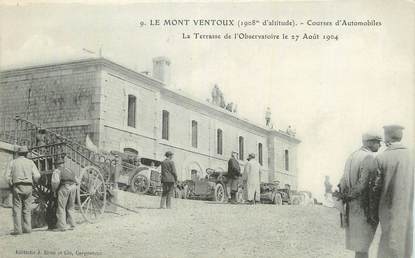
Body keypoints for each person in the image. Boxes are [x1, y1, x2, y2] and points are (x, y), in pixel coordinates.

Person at [338, 132, 382, 258]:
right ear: (370, 143)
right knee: (363, 247)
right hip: (364, 209)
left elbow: (343, 181)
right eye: (377, 142)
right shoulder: (369, 158)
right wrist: (349, 196)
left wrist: (345, 197)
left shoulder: (352, 156)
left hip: (351, 208)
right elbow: (363, 184)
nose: (379, 145)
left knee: (359, 247)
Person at [375, 125, 413, 258]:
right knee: (405, 244)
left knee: (388, 246)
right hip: (409, 211)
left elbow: (375, 188)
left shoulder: (381, 157)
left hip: (388, 211)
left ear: (387, 137)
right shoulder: (411, 155)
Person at [6, 145, 40, 235]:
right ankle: (28, 229)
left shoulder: (13, 162)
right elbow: (37, 175)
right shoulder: (30, 162)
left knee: (17, 208)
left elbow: (6, 176)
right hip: (28, 186)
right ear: (26, 153)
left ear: (18, 153)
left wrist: (10, 183)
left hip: (17, 186)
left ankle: (18, 230)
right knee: (27, 208)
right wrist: (34, 181)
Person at [51, 157, 77, 231]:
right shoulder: (69, 170)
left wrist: (54, 191)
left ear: (56, 165)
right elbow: (76, 180)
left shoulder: (57, 171)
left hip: (65, 187)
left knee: (61, 207)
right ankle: (72, 225)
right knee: (71, 207)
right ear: (62, 164)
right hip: (73, 187)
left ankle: (62, 226)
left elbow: (55, 182)